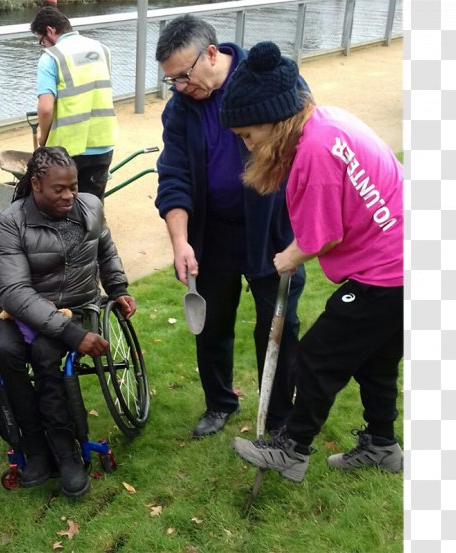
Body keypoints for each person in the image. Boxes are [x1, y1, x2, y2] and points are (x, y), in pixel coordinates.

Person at [222, 41, 403, 483]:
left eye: (247, 135)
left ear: (273, 119)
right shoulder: (325, 123)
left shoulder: (314, 152)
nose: (246, 145)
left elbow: (325, 235)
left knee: (318, 358)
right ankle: (382, 445)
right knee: (375, 360)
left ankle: (293, 449)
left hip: (386, 272)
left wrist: (289, 255)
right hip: (402, 263)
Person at [153, 14, 307, 440]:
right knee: (213, 323)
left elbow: (305, 150)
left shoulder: (270, 80)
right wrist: (181, 242)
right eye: (172, 81)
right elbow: (174, 176)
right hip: (214, 234)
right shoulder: (181, 108)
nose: (181, 87)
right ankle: (220, 402)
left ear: (212, 54)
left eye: (184, 76)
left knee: (278, 325)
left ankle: (277, 417)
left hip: (272, 232)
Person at [0, 146, 136, 497]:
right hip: (24, 310)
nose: (70, 195)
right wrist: (70, 333)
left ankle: (66, 449)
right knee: (6, 352)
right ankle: (34, 447)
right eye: (60, 189)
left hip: (79, 305)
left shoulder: (91, 207)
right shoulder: (10, 224)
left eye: (73, 186)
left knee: (44, 354)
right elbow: (14, 292)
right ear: (36, 184)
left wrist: (117, 287)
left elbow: (106, 250)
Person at [30, 7, 117, 200]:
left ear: (50, 31)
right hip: (102, 140)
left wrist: (43, 140)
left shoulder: (52, 58)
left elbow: (45, 108)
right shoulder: (102, 49)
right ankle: (95, 231)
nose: (43, 45)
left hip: (66, 149)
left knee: (62, 205)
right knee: (92, 205)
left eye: (41, 40)